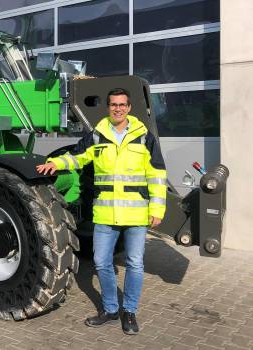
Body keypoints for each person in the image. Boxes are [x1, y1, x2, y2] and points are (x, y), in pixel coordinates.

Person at [36, 88, 167, 335]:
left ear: (129, 108)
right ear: (109, 108)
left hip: (136, 215)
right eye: (113, 104)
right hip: (106, 215)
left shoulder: (144, 137)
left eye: (122, 104)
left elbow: (157, 175)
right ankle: (110, 309)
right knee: (101, 262)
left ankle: (129, 311)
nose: (118, 108)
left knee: (135, 264)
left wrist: (157, 208)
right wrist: (56, 163)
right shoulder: (98, 135)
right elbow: (77, 158)